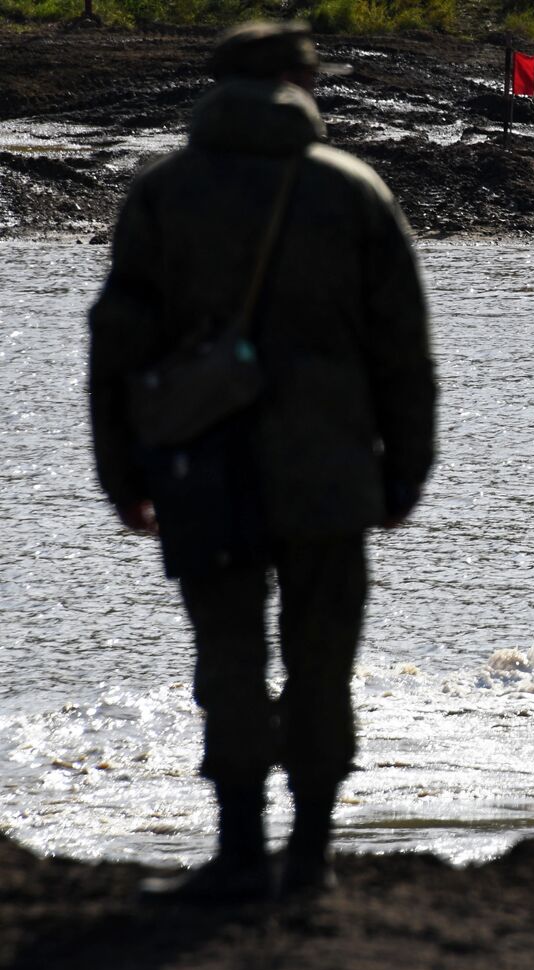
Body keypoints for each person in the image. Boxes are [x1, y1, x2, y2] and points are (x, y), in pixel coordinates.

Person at [88, 20, 435, 901]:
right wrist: (405, 474)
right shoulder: (352, 190)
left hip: (198, 472)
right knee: (322, 659)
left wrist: (120, 475)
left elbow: (116, 349)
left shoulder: (163, 193)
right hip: (329, 473)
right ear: (299, 83)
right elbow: (404, 349)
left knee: (228, 654)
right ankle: (311, 854)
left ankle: (240, 849)